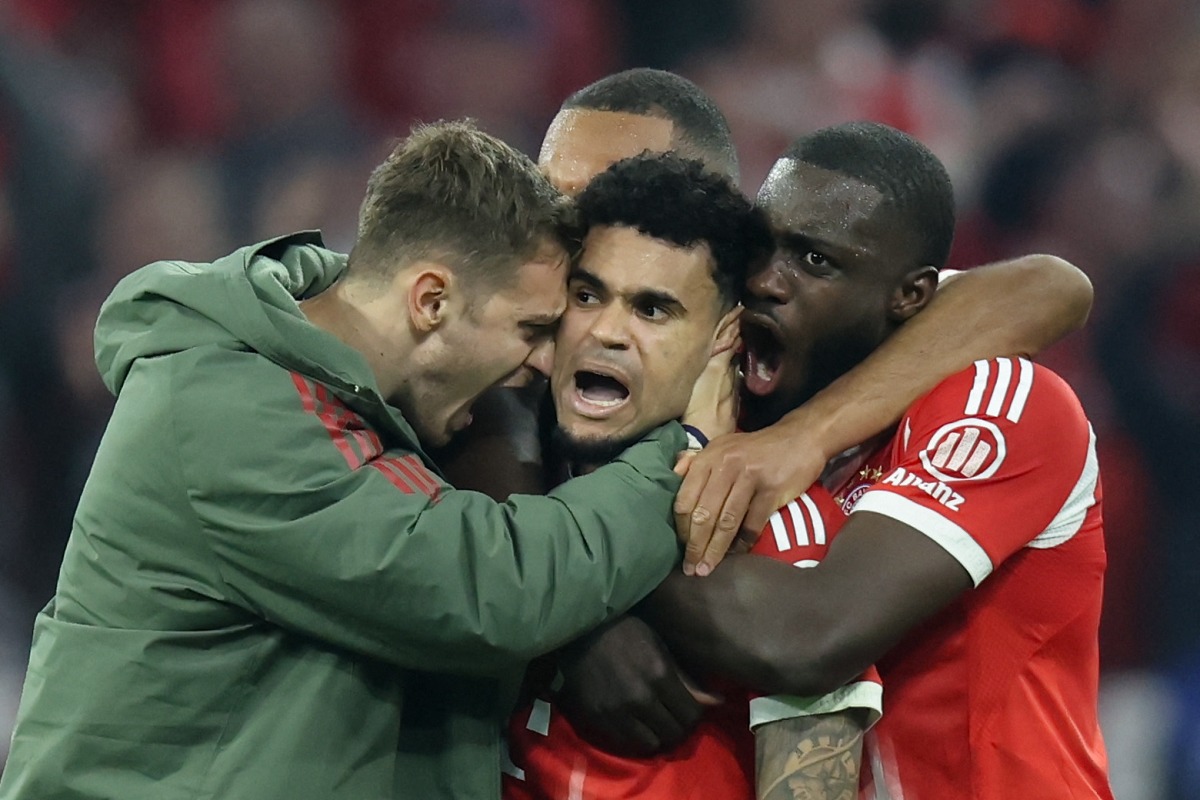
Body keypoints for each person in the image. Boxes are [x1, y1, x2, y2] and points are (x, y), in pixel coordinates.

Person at [0, 121, 700, 800]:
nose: (545, 362)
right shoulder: (230, 407)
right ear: (430, 300)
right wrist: (678, 445)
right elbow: (489, 588)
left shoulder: (350, 381)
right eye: (531, 329)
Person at [608, 122, 1110, 798]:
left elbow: (807, 638)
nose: (764, 281)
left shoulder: (1000, 401)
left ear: (909, 298)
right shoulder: (733, 387)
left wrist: (584, 590)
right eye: (761, 244)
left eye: (814, 262)